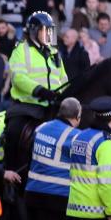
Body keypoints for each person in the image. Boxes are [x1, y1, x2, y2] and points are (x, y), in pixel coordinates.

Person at [5, 12, 67, 193]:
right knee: (14, 132)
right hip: (27, 106)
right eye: (45, 30)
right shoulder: (21, 50)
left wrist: (62, 95)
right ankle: (10, 176)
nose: (49, 34)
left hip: (54, 106)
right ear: (34, 31)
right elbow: (18, 78)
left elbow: (63, 78)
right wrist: (40, 91)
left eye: (50, 31)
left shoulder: (55, 53)